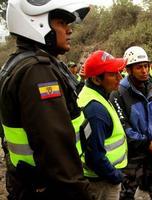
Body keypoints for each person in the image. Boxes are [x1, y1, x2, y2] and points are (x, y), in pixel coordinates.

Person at [0, 1, 94, 200]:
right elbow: (55, 150)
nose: (69, 30)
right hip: (52, 190)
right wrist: (82, 194)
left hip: (32, 185)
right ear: (36, 22)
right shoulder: (37, 71)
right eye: (62, 22)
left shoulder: (19, 63)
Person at [110, 46, 152, 200]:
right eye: (139, 67)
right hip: (133, 155)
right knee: (127, 194)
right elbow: (123, 127)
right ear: (129, 70)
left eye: (146, 66)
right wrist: (145, 143)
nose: (144, 70)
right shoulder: (118, 93)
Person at [77, 50, 128, 200]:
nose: (120, 77)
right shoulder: (95, 110)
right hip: (102, 182)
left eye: (119, 72)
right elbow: (94, 156)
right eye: (113, 74)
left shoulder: (95, 95)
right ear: (97, 80)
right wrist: (115, 176)